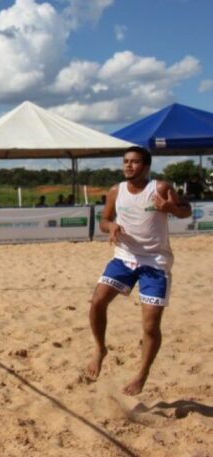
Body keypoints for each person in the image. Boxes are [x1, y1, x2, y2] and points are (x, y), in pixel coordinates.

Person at [85, 146, 191, 396]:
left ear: (145, 166)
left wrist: (172, 209)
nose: (128, 166)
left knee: (150, 326)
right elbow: (103, 220)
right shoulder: (116, 190)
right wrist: (111, 226)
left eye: (134, 162)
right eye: (126, 161)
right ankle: (100, 348)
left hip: (155, 262)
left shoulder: (160, 188)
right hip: (124, 257)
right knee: (98, 301)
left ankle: (141, 374)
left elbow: (186, 210)